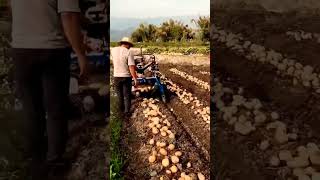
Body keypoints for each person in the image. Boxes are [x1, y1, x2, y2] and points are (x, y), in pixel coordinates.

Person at [9, 0, 88, 179]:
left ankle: (36, 162)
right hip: (52, 50)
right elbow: (68, 16)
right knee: (55, 109)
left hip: (21, 49)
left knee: (31, 109)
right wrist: (81, 54)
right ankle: (54, 162)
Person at [111, 37, 138, 116]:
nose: (130, 47)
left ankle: (120, 112)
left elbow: (114, 62)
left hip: (116, 76)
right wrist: (135, 79)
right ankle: (127, 112)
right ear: (128, 44)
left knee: (120, 95)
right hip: (126, 77)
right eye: (130, 45)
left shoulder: (113, 50)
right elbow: (131, 67)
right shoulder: (129, 52)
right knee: (127, 95)